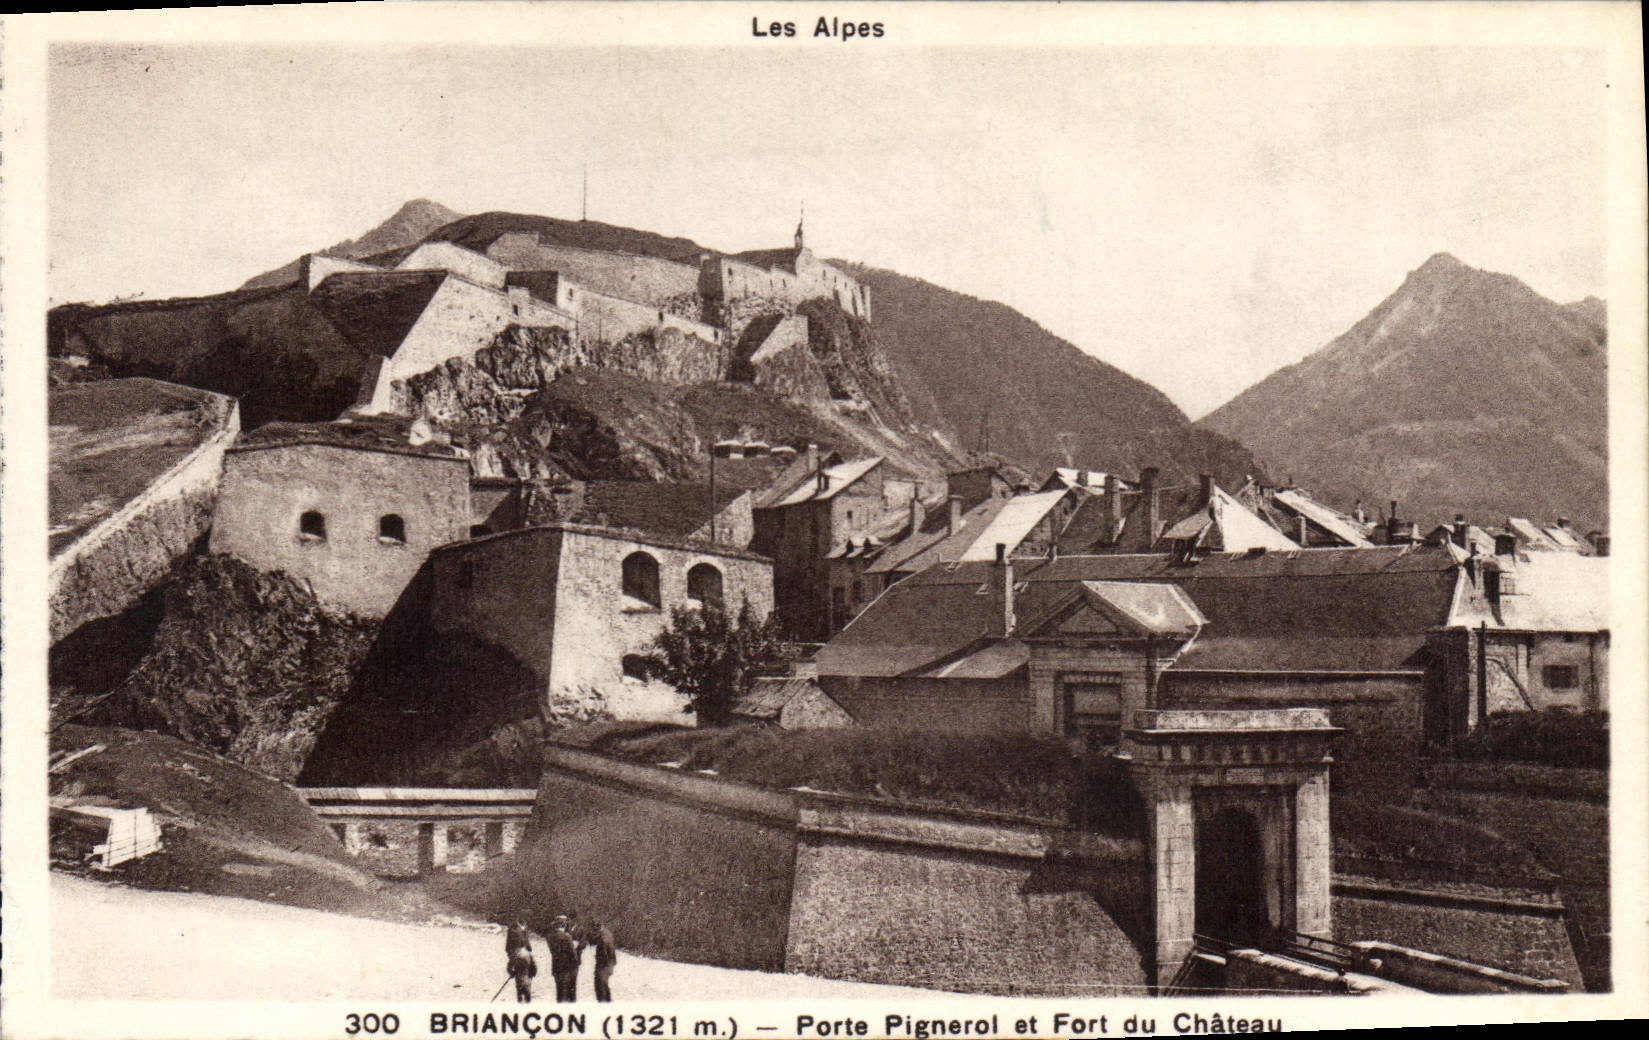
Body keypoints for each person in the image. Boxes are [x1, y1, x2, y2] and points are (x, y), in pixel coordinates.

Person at [581, 919, 618, 1003]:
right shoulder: (606, 933)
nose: (594, 931)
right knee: (604, 985)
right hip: (609, 964)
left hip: (604, 965)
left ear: (598, 927)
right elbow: (596, 939)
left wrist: (598, 960)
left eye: (595, 929)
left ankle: (603, 1005)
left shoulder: (604, 938)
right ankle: (608, 1003)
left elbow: (604, 950)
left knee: (600, 986)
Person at [548, 915, 581, 1003]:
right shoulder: (567, 937)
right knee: (570, 994)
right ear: (564, 925)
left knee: (559, 993)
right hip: (568, 969)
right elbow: (573, 955)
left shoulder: (550, 936)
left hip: (556, 967)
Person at [505, 917, 537, 1003]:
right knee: (523, 982)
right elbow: (509, 947)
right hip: (519, 957)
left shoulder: (523, 928)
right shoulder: (514, 930)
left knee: (523, 981)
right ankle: (524, 999)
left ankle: (523, 999)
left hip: (521, 957)